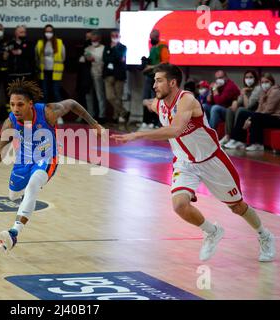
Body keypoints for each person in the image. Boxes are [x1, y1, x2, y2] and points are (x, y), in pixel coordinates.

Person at [111, 63, 275, 262]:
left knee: (237, 207)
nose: (154, 85)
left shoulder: (187, 100)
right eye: (154, 81)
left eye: (159, 80)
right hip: (184, 162)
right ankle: (212, 231)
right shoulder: (159, 102)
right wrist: (147, 102)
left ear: (172, 83)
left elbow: (175, 130)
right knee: (179, 205)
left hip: (212, 161)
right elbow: (152, 104)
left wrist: (138, 134)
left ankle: (264, 235)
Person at [0, 78, 104, 252]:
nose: (15, 109)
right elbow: (0, 153)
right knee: (13, 195)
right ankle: (25, 198)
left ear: (30, 104)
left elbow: (73, 104)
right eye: (12, 104)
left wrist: (94, 124)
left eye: (20, 104)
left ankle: (14, 233)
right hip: (23, 160)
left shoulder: (48, 112)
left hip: (47, 158)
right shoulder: (10, 122)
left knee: (32, 187)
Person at [225, 73, 280, 151]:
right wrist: (250, 118)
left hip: (276, 118)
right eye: (262, 82)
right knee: (243, 113)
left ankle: (257, 144)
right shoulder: (263, 92)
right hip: (266, 116)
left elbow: (268, 110)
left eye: (267, 82)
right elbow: (259, 109)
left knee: (256, 116)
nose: (264, 84)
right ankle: (238, 140)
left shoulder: (275, 91)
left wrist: (251, 119)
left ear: (272, 82)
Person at [220, 70, 262, 146]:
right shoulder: (245, 88)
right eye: (246, 77)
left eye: (251, 77)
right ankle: (228, 136)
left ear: (255, 79)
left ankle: (236, 137)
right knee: (230, 109)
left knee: (240, 110)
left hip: (254, 112)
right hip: (245, 110)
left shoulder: (258, 89)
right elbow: (239, 101)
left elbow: (248, 106)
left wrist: (244, 94)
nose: (248, 79)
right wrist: (235, 102)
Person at [140, 29, 170, 130]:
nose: (151, 39)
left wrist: (151, 67)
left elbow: (165, 62)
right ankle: (146, 121)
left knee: (156, 99)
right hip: (149, 76)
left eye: (152, 37)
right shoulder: (153, 47)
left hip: (158, 77)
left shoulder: (163, 46)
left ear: (157, 36)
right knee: (145, 98)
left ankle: (155, 122)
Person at [35, 24, 65, 104]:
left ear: (53, 32)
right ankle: (43, 113)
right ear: (44, 32)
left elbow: (63, 57)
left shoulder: (59, 42)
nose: (48, 33)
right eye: (47, 31)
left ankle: (60, 113)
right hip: (43, 72)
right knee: (44, 93)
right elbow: (37, 57)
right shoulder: (40, 43)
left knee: (56, 92)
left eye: (50, 31)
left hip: (55, 72)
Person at [103, 29, 128, 124]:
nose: (114, 37)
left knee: (118, 97)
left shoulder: (123, 47)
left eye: (116, 35)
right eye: (113, 35)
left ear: (119, 36)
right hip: (108, 75)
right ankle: (123, 112)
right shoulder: (106, 47)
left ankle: (117, 116)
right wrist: (114, 57)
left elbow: (120, 57)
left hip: (119, 75)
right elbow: (105, 59)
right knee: (109, 96)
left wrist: (114, 49)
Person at [84, 30, 106, 124]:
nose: (94, 40)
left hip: (99, 74)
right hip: (89, 75)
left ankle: (102, 116)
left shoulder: (104, 48)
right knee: (89, 95)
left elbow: (101, 60)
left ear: (99, 39)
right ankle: (90, 115)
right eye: (92, 38)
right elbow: (88, 58)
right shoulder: (88, 48)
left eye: (96, 38)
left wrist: (94, 59)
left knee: (100, 95)